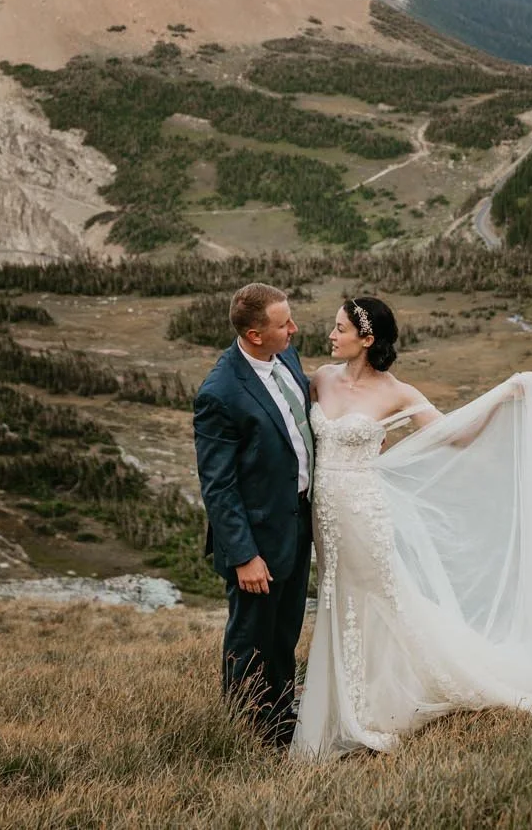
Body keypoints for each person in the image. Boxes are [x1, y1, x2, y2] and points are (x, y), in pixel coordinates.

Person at [291, 295, 532, 760]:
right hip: (326, 514)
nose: (331, 335)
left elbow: (452, 434)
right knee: (340, 599)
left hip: (363, 513)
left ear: (367, 339)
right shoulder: (320, 379)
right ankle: (348, 693)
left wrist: (503, 397)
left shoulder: (396, 392)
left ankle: (372, 704)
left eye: (340, 329)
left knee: (375, 598)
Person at [191, 282, 314, 746]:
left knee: (284, 633)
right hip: (257, 540)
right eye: (284, 324)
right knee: (250, 640)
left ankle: (280, 725)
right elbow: (218, 485)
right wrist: (244, 556)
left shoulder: (287, 357)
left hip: (296, 523)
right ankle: (243, 734)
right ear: (254, 334)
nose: (294, 329)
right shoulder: (220, 393)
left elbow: (300, 422)